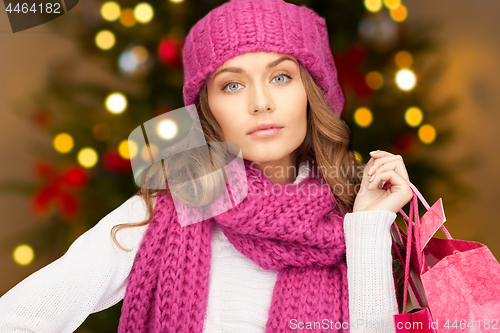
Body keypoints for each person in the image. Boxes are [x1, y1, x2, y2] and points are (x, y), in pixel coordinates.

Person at [0, 0, 414, 332]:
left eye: (281, 77)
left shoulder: (354, 220)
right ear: (207, 109)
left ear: (312, 91)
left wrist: (367, 229)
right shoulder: (165, 208)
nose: (260, 102)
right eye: (232, 85)